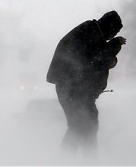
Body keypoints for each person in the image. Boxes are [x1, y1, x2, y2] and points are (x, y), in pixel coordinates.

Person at [46, 10, 126, 157]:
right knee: (81, 127)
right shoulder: (91, 32)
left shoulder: (91, 32)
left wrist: (111, 59)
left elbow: (96, 60)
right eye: (113, 32)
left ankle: (81, 160)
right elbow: (97, 57)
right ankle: (68, 161)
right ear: (109, 27)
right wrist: (115, 44)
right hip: (73, 89)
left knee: (87, 126)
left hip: (77, 90)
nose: (112, 36)